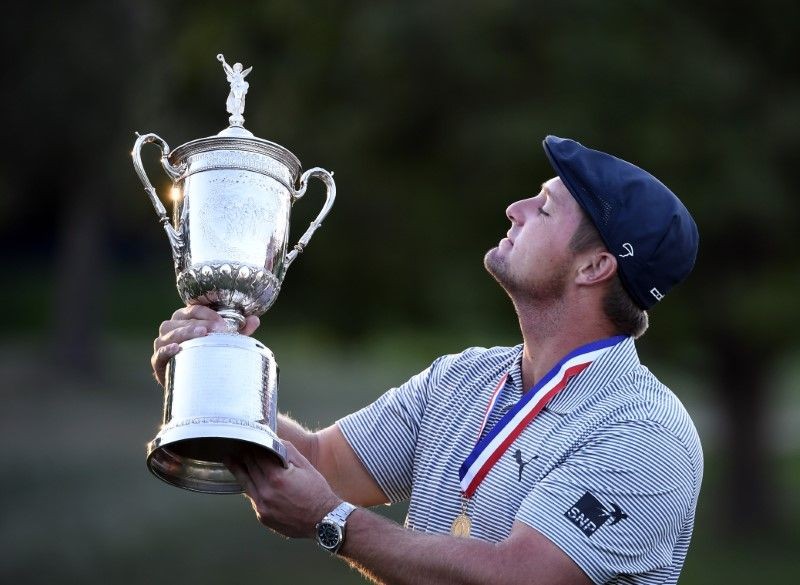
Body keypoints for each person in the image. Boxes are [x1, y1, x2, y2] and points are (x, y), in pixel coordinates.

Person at [151, 136, 702, 585]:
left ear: (593, 268)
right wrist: (212, 374)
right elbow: (324, 463)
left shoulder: (647, 432)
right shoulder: (463, 376)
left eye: (546, 207)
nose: (515, 210)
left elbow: (521, 578)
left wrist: (333, 523)